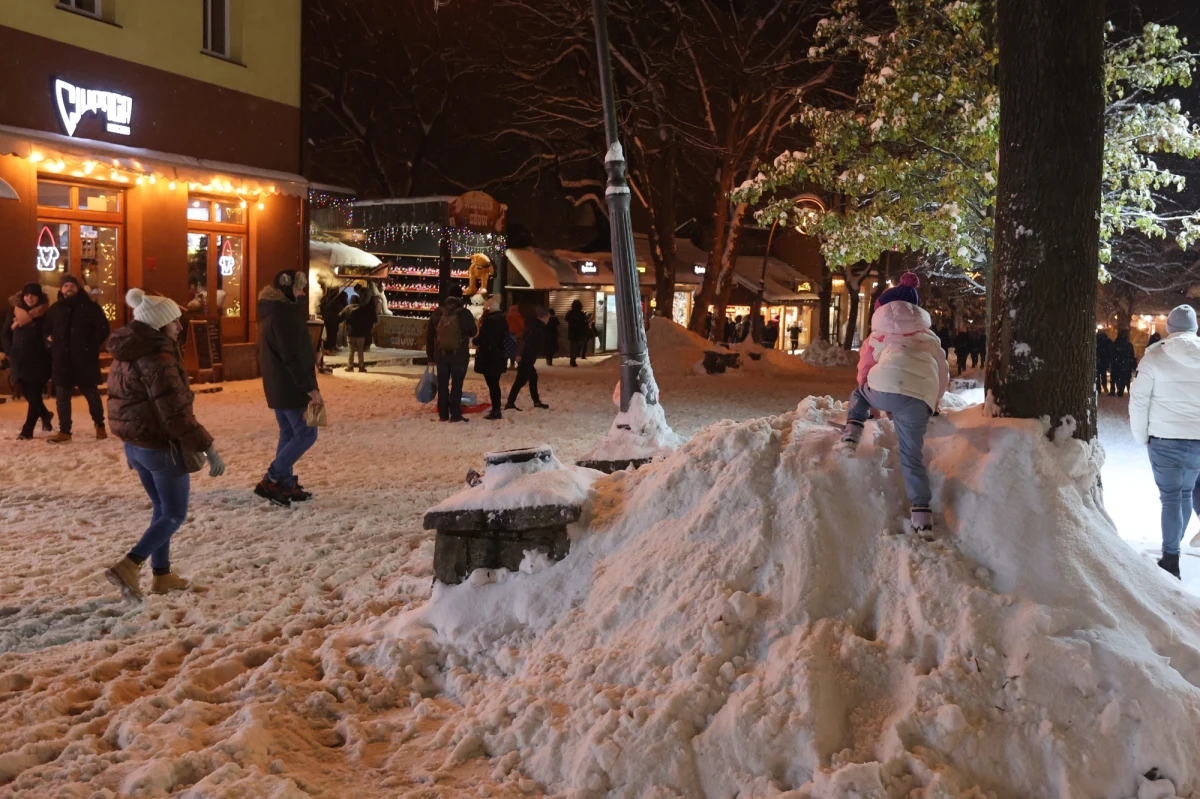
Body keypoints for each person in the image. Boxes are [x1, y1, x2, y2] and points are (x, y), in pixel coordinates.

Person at [103, 289, 224, 599]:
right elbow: (175, 412)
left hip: (137, 446)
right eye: (175, 322)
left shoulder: (127, 352)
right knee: (174, 514)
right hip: (160, 448)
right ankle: (130, 565)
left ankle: (162, 575)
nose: (180, 328)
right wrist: (207, 447)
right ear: (159, 325)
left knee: (161, 509)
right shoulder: (159, 357)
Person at [839, 272, 949, 532]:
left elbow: (865, 370)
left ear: (881, 310)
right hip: (919, 399)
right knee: (912, 456)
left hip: (884, 389)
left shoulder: (877, 336)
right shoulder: (929, 338)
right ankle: (922, 514)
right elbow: (941, 372)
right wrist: (933, 402)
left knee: (860, 392)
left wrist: (871, 400)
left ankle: (851, 432)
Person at [1129, 305, 1200, 580]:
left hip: (1164, 439)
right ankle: (1173, 550)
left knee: (1171, 497)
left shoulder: (1154, 358)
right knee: (1183, 493)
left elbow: (1139, 400)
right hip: (1197, 439)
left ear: (1169, 327)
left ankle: (1171, 558)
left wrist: (1140, 435)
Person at [257, 269, 323, 506]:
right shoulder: (283, 315)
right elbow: (292, 356)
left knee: (289, 433)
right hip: (291, 386)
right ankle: (272, 478)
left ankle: (283, 483)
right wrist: (310, 388)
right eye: (298, 287)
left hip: (279, 385)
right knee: (307, 433)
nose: (302, 292)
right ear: (287, 288)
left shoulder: (273, 313)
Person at [45, 275, 110, 443]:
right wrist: (49, 341)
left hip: (84, 359)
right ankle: (64, 431)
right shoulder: (55, 309)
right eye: (65, 285)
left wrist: (91, 345)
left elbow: (103, 328)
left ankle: (99, 425)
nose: (69, 288)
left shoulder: (91, 308)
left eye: (72, 285)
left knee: (92, 395)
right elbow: (45, 330)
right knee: (62, 398)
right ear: (61, 289)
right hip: (62, 360)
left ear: (78, 288)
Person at [2, 283, 53, 439]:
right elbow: (4, 333)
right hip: (18, 359)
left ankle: (27, 430)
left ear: (39, 297)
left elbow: (49, 336)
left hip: (39, 360)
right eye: (26, 295)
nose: (29, 298)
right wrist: (9, 350)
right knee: (28, 393)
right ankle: (45, 415)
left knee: (35, 395)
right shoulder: (14, 313)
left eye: (33, 295)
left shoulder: (45, 314)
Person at [425, 284, 477, 423]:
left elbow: (429, 336)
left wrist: (430, 356)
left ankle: (443, 414)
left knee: (442, 385)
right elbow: (473, 332)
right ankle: (455, 414)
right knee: (457, 385)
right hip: (459, 355)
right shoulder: (464, 313)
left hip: (440, 355)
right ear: (460, 297)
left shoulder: (437, 312)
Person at [507, 307, 550, 411]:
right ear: (543, 317)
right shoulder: (536, 327)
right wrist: (520, 354)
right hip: (527, 357)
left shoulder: (532, 325)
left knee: (532, 377)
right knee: (520, 380)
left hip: (527, 356)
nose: (549, 319)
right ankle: (510, 402)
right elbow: (525, 341)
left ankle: (536, 401)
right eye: (548, 317)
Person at [474, 298, 509, 420]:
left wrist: (475, 340)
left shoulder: (489, 322)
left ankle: (496, 410)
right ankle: (496, 409)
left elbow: (481, 338)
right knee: (495, 384)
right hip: (499, 356)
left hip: (488, 357)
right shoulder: (503, 320)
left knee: (492, 384)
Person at [342, 293, 378, 373]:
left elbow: (341, 317)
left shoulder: (348, 310)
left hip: (351, 334)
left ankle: (350, 366)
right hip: (361, 334)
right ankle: (361, 366)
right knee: (360, 350)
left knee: (351, 350)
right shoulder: (363, 310)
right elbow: (366, 321)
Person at [319, 283, 348, 355]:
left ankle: (332, 347)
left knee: (332, 333)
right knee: (330, 334)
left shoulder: (328, 297)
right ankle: (328, 349)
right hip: (332, 319)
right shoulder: (332, 298)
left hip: (331, 318)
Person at [1110, 329, 1138, 398]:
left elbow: (1111, 354)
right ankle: (1122, 389)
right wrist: (1134, 366)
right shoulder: (1128, 345)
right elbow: (1131, 356)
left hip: (1116, 364)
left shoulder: (1115, 344)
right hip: (1126, 365)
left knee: (1117, 377)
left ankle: (1118, 389)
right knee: (1124, 377)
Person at [565, 299, 589, 367]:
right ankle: (573, 359)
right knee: (576, 347)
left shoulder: (570, 312)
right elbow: (585, 322)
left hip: (572, 332)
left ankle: (572, 360)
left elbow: (566, 319)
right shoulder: (581, 313)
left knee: (573, 347)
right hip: (579, 332)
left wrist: (572, 322)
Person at [505, 304, 525, 369]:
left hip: (508, 335)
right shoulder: (519, 316)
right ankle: (519, 365)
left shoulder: (507, 315)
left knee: (509, 350)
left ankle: (511, 365)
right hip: (518, 334)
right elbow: (522, 326)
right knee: (518, 350)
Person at [1096, 330, 1114, 396]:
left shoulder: (1096, 340)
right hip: (1104, 360)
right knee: (1103, 374)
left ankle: (1098, 388)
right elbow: (1111, 348)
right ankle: (1104, 386)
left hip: (1098, 360)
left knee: (1097, 375)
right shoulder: (1107, 341)